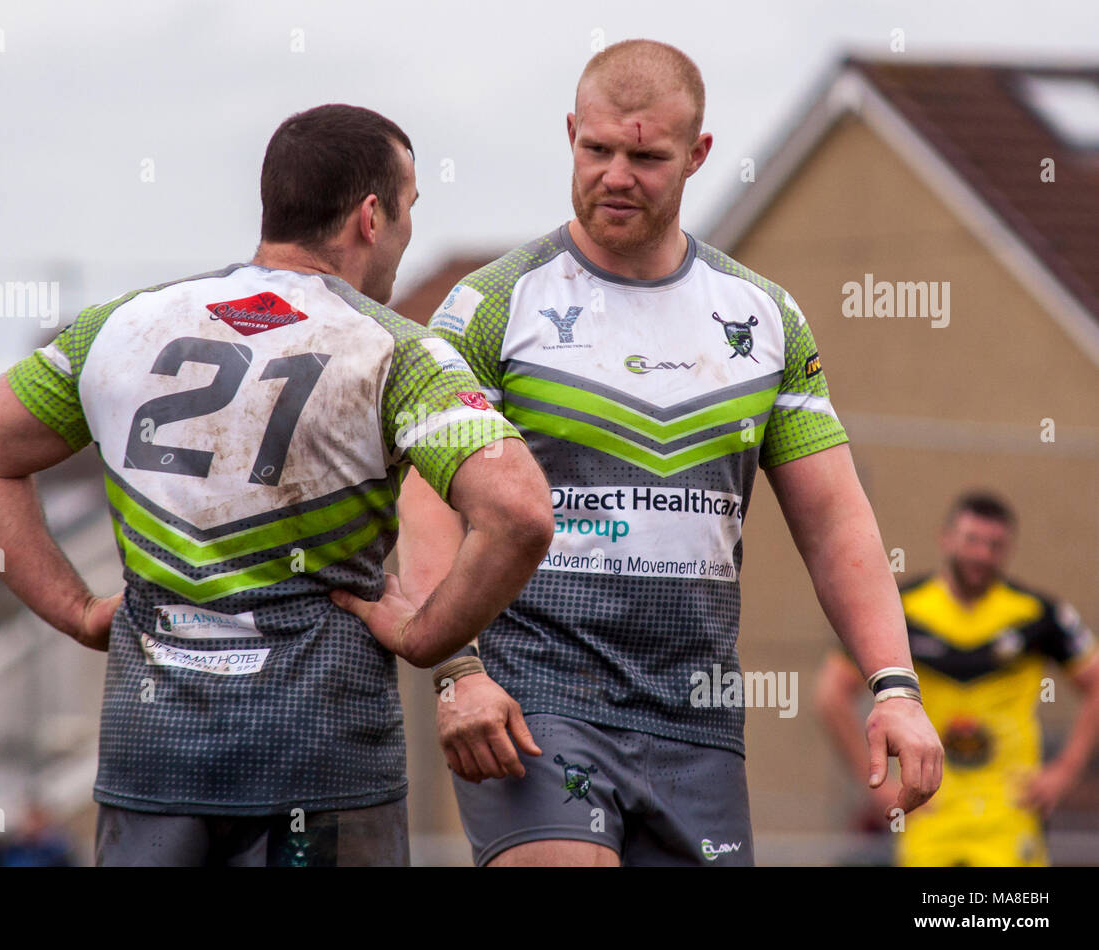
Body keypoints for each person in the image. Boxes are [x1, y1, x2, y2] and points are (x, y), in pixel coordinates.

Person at [0, 104, 553, 867]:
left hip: (151, 763)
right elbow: (520, 513)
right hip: (324, 765)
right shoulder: (397, 352)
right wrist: (430, 638)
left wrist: (81, 611)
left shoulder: (119, 326)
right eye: (409, 209)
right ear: (370, 216)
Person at [395, 39, 943, 866]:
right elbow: (429, 497)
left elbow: (834, 522)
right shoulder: (492, 308)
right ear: (571, 134)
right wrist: (457, 670)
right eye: (597, 149)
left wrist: (895, 687)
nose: (616, 174)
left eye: (647, 156)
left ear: (698, 155)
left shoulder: (764, 318)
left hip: (698, 716)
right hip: (535, 703)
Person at [816, 492, 1099, 866]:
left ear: (1009, 549)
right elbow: (830, 694)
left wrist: (1064, 772)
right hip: (928, 814)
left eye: (994, 545)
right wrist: (878, 787)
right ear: (945, 538)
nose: (981, 554)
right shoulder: (903, 610)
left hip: (1009, 817)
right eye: (972, 540)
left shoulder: (1038, 615)